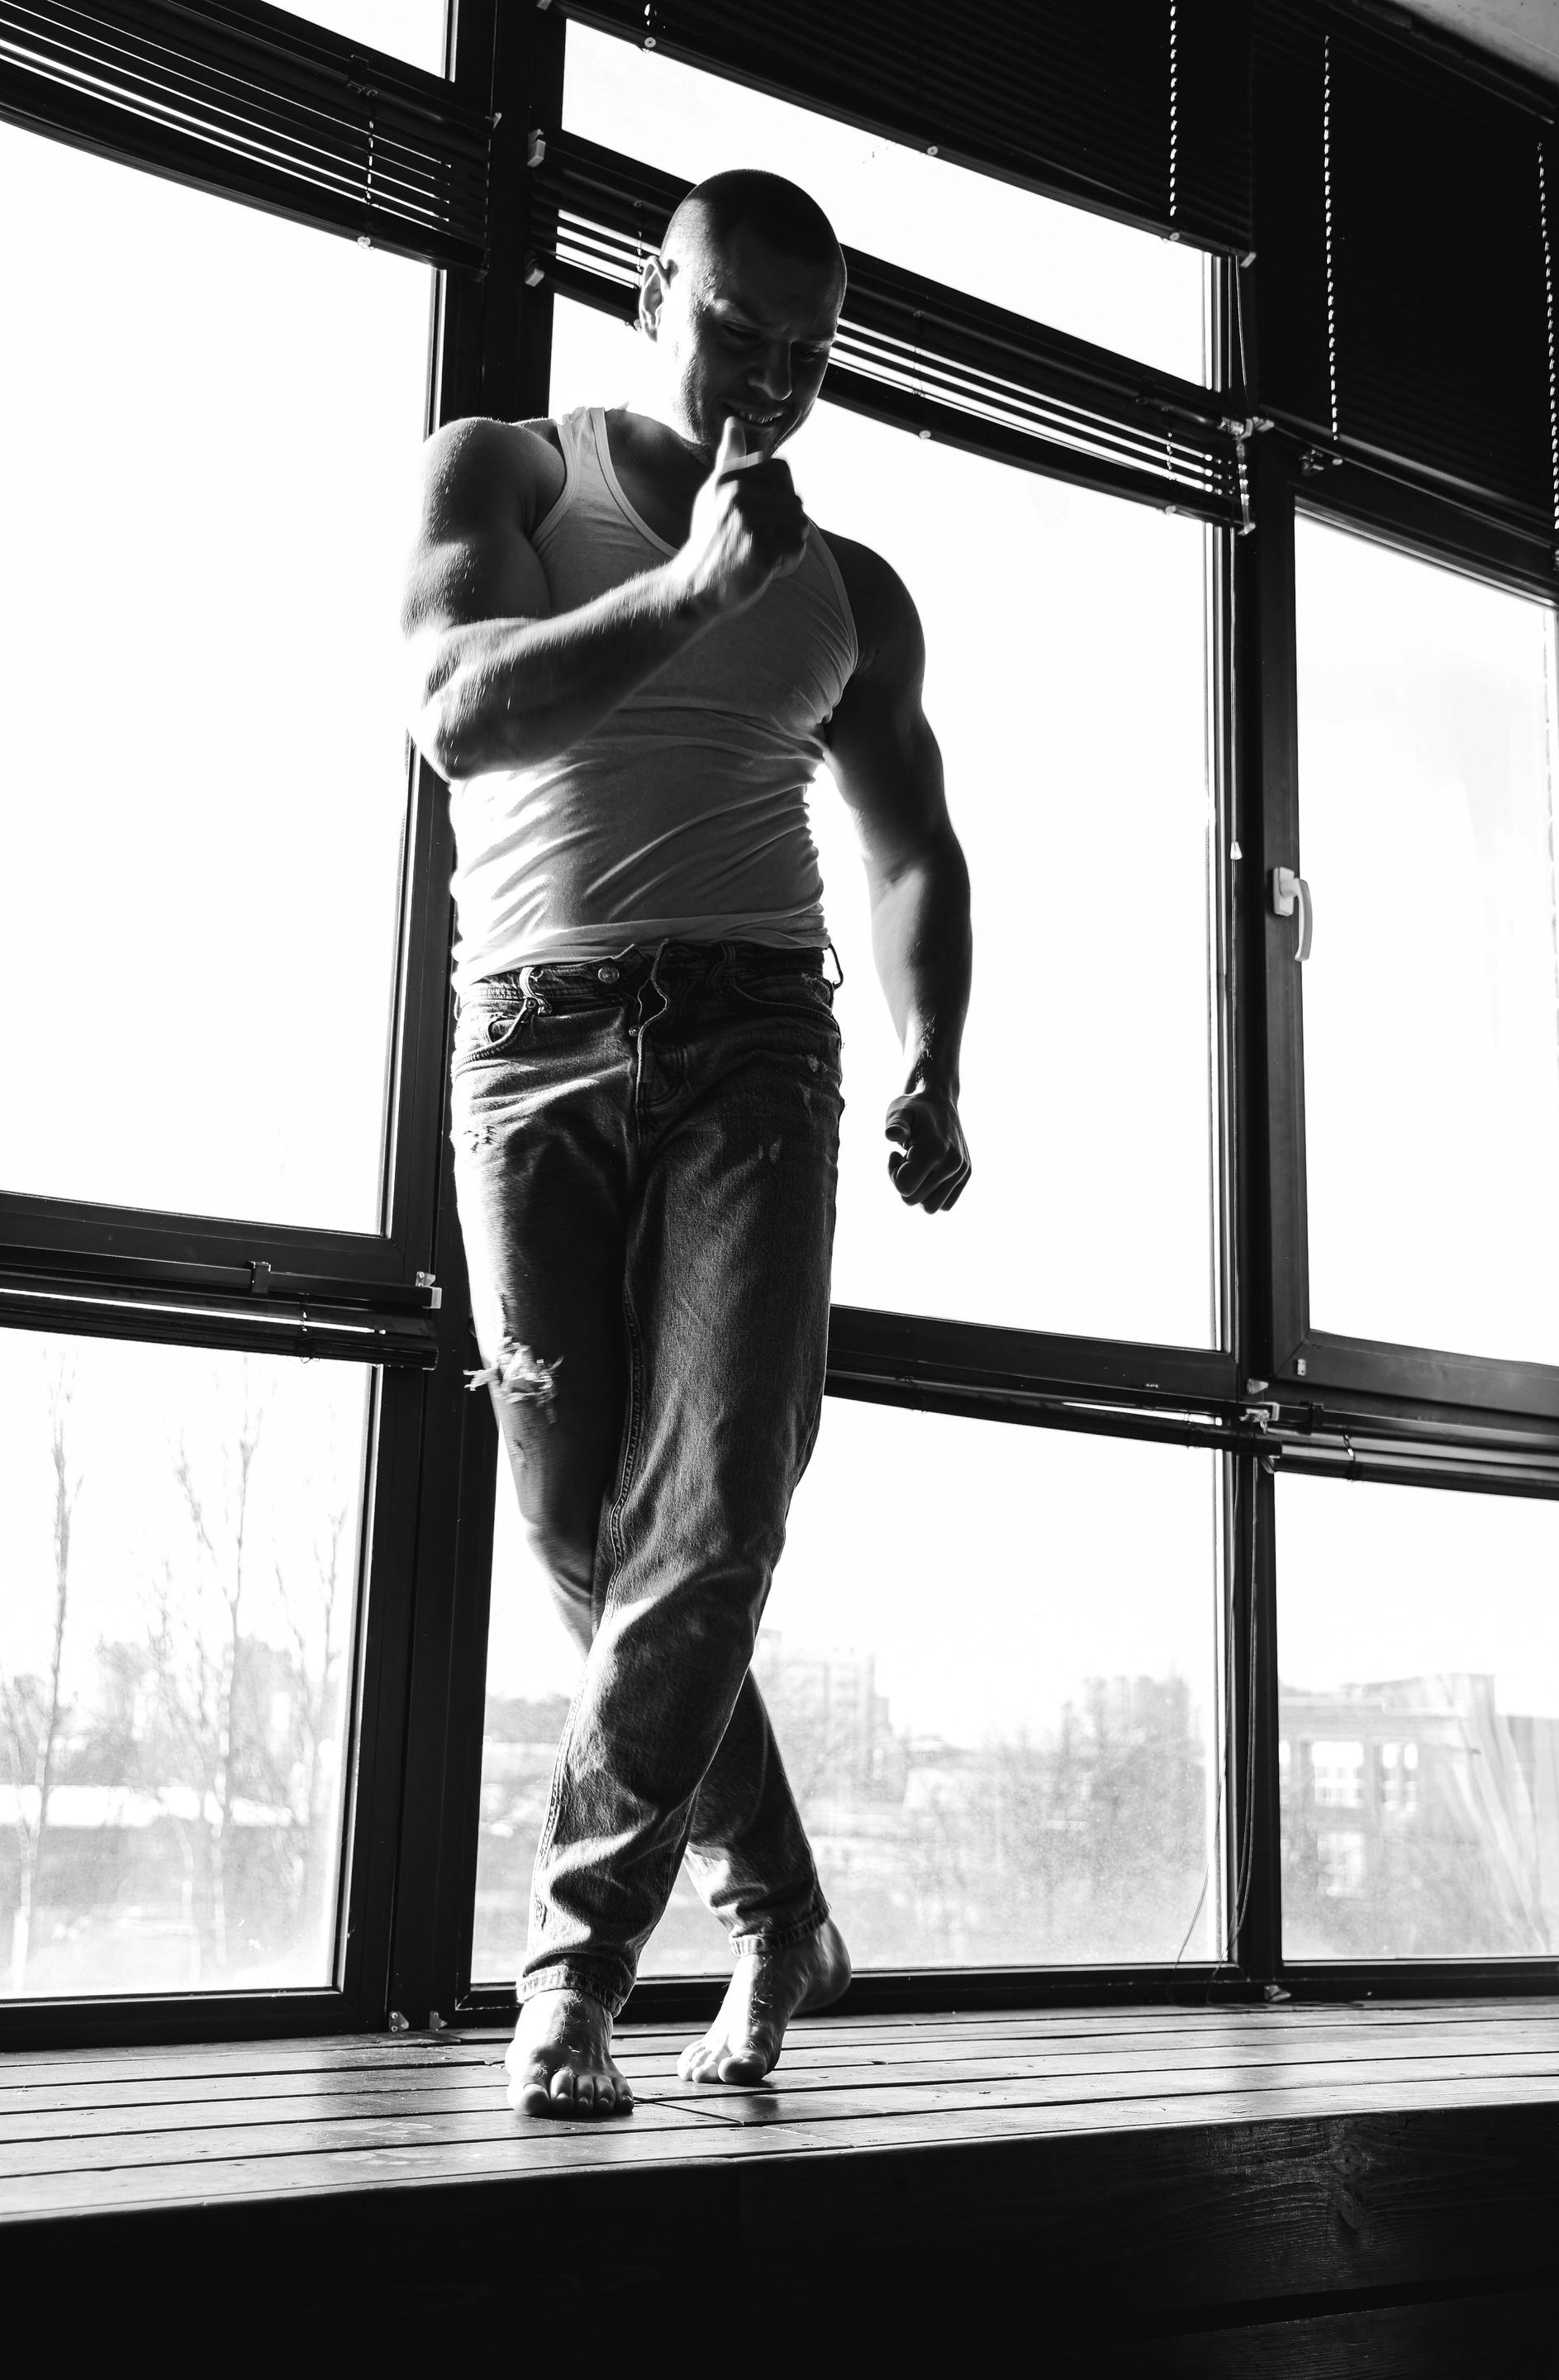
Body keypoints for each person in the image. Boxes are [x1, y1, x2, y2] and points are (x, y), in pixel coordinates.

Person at [402, 169, 972, 2118]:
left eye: (811, 353)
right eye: (740, 330)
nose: (772, 379)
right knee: (581, 1534)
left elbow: (912, 847)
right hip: (528, 1043)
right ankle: (783, 1912)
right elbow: (458, 711)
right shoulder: (505, 469)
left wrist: (933, 1056)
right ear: (653, 291)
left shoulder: (852, 591)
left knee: (713, 1518)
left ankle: (573, 1979)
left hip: (756, 1046)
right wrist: (685, 593)